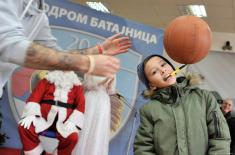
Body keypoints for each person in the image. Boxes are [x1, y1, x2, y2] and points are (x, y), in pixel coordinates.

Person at [0, 0, 131, 97]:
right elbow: (10, 45)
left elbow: (57, 56)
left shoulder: (39, 15)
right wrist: (87, 63)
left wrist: (98, 50)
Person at [134, 54, 231, 155]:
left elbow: (220, 137)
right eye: (154, 72)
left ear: (172, 67)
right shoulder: (149, 110)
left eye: (163, 65)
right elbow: (143, 148)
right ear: (151, 85)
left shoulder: (204, 98)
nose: (163, 70)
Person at [18, 70, 85, 155]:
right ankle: (38, 153)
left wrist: (73, 121)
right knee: (24, 127)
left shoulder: (77, 86)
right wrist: (31, 114)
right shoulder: (46, 81)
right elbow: (34, 98)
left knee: (72, 138)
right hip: (43, 119)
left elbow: (81, 106)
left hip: (64, 123)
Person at [73, 74, 116, 155]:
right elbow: (87, 86)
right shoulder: (93, 68)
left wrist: (111, 82)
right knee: (85, 126)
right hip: (91, 98)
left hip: (103, 101)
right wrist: (104, 80)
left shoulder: (111, 71)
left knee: (98, 128)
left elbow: (111, 91)